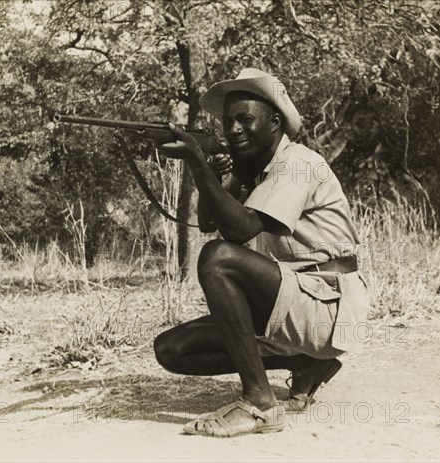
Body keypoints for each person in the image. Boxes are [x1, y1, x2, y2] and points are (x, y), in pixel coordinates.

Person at [153, 68, 371, 438]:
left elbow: (236, 233)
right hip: (295, 299)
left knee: (216, 258)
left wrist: (195, 163)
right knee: (171, 350)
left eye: (244, 119)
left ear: (275, 122)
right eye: (227, 122)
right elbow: (209, 222)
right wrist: (213, 172)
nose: (233, 129)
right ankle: (307, 362)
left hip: (328, 304)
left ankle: (260, 404)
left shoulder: (297, 163)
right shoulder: (257, 171)